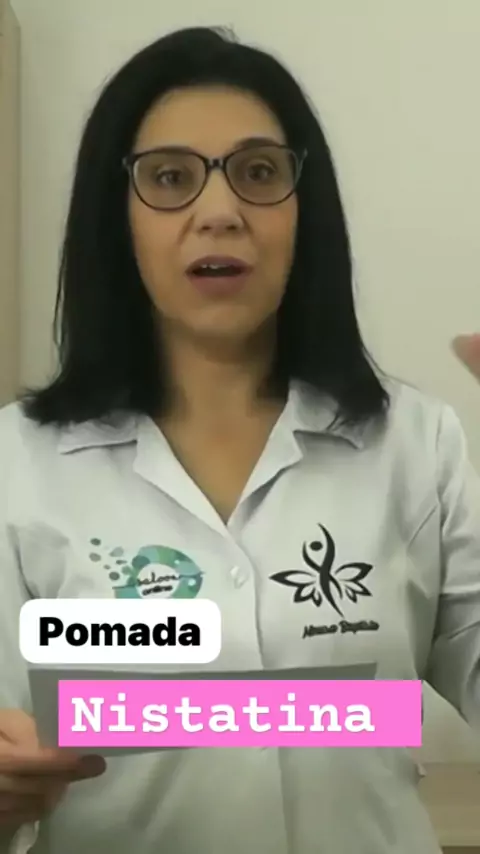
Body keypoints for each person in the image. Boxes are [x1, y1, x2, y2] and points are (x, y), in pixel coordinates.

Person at [0, 24, 479, 854]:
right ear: (117, 218)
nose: (219, 213)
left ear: (305, 210)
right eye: (170, 177)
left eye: (259, 173)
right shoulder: (18, 463)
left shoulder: (417, 441)